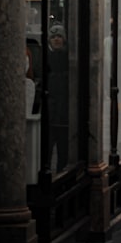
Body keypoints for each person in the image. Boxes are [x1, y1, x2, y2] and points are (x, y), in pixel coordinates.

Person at [46, 23, 70, 170]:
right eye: (53, 37)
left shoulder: (68, 58)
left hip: (64, 112)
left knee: (63, 149)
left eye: (59, 36)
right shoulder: (46, 57)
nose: (56, 40)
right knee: (47, 148)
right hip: (50, 111)